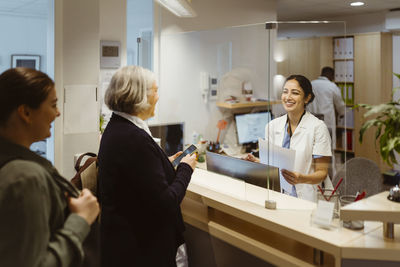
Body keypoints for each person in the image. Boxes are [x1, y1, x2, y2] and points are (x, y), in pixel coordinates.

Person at [98, 65, 197, 267]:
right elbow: (166, 202)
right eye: (156, 90)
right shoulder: (134, 138)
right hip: (140, 250)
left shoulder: (117, 127)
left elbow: (136, 174)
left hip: (123, 245)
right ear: (139, 96)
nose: (158, 97)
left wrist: (163, 161)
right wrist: (185, 168)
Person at [0, 67, 100, 266]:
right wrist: (81, 219)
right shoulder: (25, 176)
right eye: (53, 105)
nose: (58, 113)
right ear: (26, 112)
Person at [246, 75, 332, 202]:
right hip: (277, 194)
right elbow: (274, 165)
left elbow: (322, 172)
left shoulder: (318, 128)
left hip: (305, 197)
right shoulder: (272, 126)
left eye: (295, 93)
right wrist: (257, 162)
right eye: (285, 92)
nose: (288, 97)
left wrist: (301, 178)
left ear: (307, 98)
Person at [307, 66, 346, 150]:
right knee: (327, 148)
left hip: (311, 120)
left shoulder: (310, 84)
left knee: (313, 148)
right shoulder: (332, 86)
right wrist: (342, 114)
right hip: (326, 122)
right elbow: (340, 104)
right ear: (331, 75)